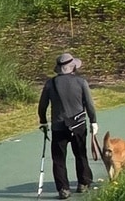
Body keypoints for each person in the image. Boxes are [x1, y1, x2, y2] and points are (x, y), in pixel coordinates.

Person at [38, 53, 97, 199]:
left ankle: (63, 189)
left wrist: (43, 121)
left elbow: (42, 106)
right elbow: (89, 105)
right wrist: (93, 121)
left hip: (58, 126)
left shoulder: (50, 84)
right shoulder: (81, 82)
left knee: (59, 159)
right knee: (80, 155)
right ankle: (83, 183)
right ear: (73, 68)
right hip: (78, 124)